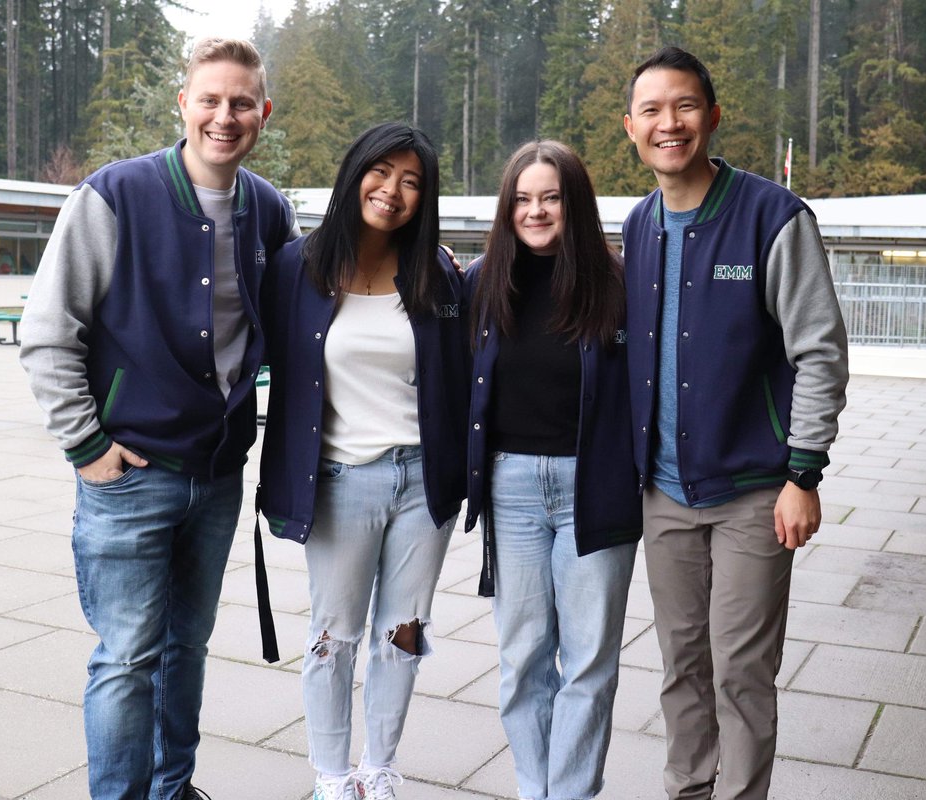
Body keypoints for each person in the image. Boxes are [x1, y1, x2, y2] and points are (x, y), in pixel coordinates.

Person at [19, 37, 297, 800]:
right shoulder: (114, 196)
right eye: (210, 98)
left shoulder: (270, 210)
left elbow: (307, 314)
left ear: (262, 113)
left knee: (187, 650)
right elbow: (47, 332)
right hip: (129, 477)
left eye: (242, 102)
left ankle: (174, 789)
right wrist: (86, 445)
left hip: (216, 479)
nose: (225, 115)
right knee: (126, 657)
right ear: (184, 104)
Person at [620, 47, 849, 800]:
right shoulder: (639, 224)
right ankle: (687, 791)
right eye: (651, 110)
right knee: (681, 664)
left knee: (741, 670)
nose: (669, 123)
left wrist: (803, 473)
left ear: (712, 117)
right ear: (630, 127)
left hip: (756, 490)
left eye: (684, 106)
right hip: (665, 493)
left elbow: (819, 352)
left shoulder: (773, 217)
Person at [257, 122, 468, 800]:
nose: (394, 190)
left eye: (412, 182)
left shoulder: (436, 273)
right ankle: (331, 777)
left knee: (401, 635)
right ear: (355, 175)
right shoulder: (297, 267)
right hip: (341, 481)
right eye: (383, 173)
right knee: (333, 636)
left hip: (422, 483)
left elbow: (463, 375)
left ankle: (378, 770)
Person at [463, 140, 641, 800]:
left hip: (596, 487)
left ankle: (570, 794)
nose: (536, 211)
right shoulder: (481, 283)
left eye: (552, 197)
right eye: (522, 199)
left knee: (590, 660)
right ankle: (536, 790)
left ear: (576, 204)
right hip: (510, 488)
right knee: (523, 657)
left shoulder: (620, 285)